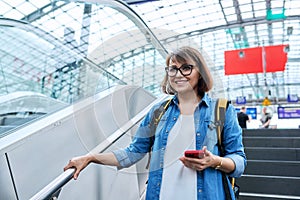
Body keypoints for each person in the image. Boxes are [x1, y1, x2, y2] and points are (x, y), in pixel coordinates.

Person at [64, 46, 246, 200]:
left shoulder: (221, 110)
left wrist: (213, 161)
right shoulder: (158, 112)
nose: (178, 74)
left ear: (200, 73)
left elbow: (238, 161)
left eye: (186, 68)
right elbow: (132, 153)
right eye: (173, 69)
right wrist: (91, 157)